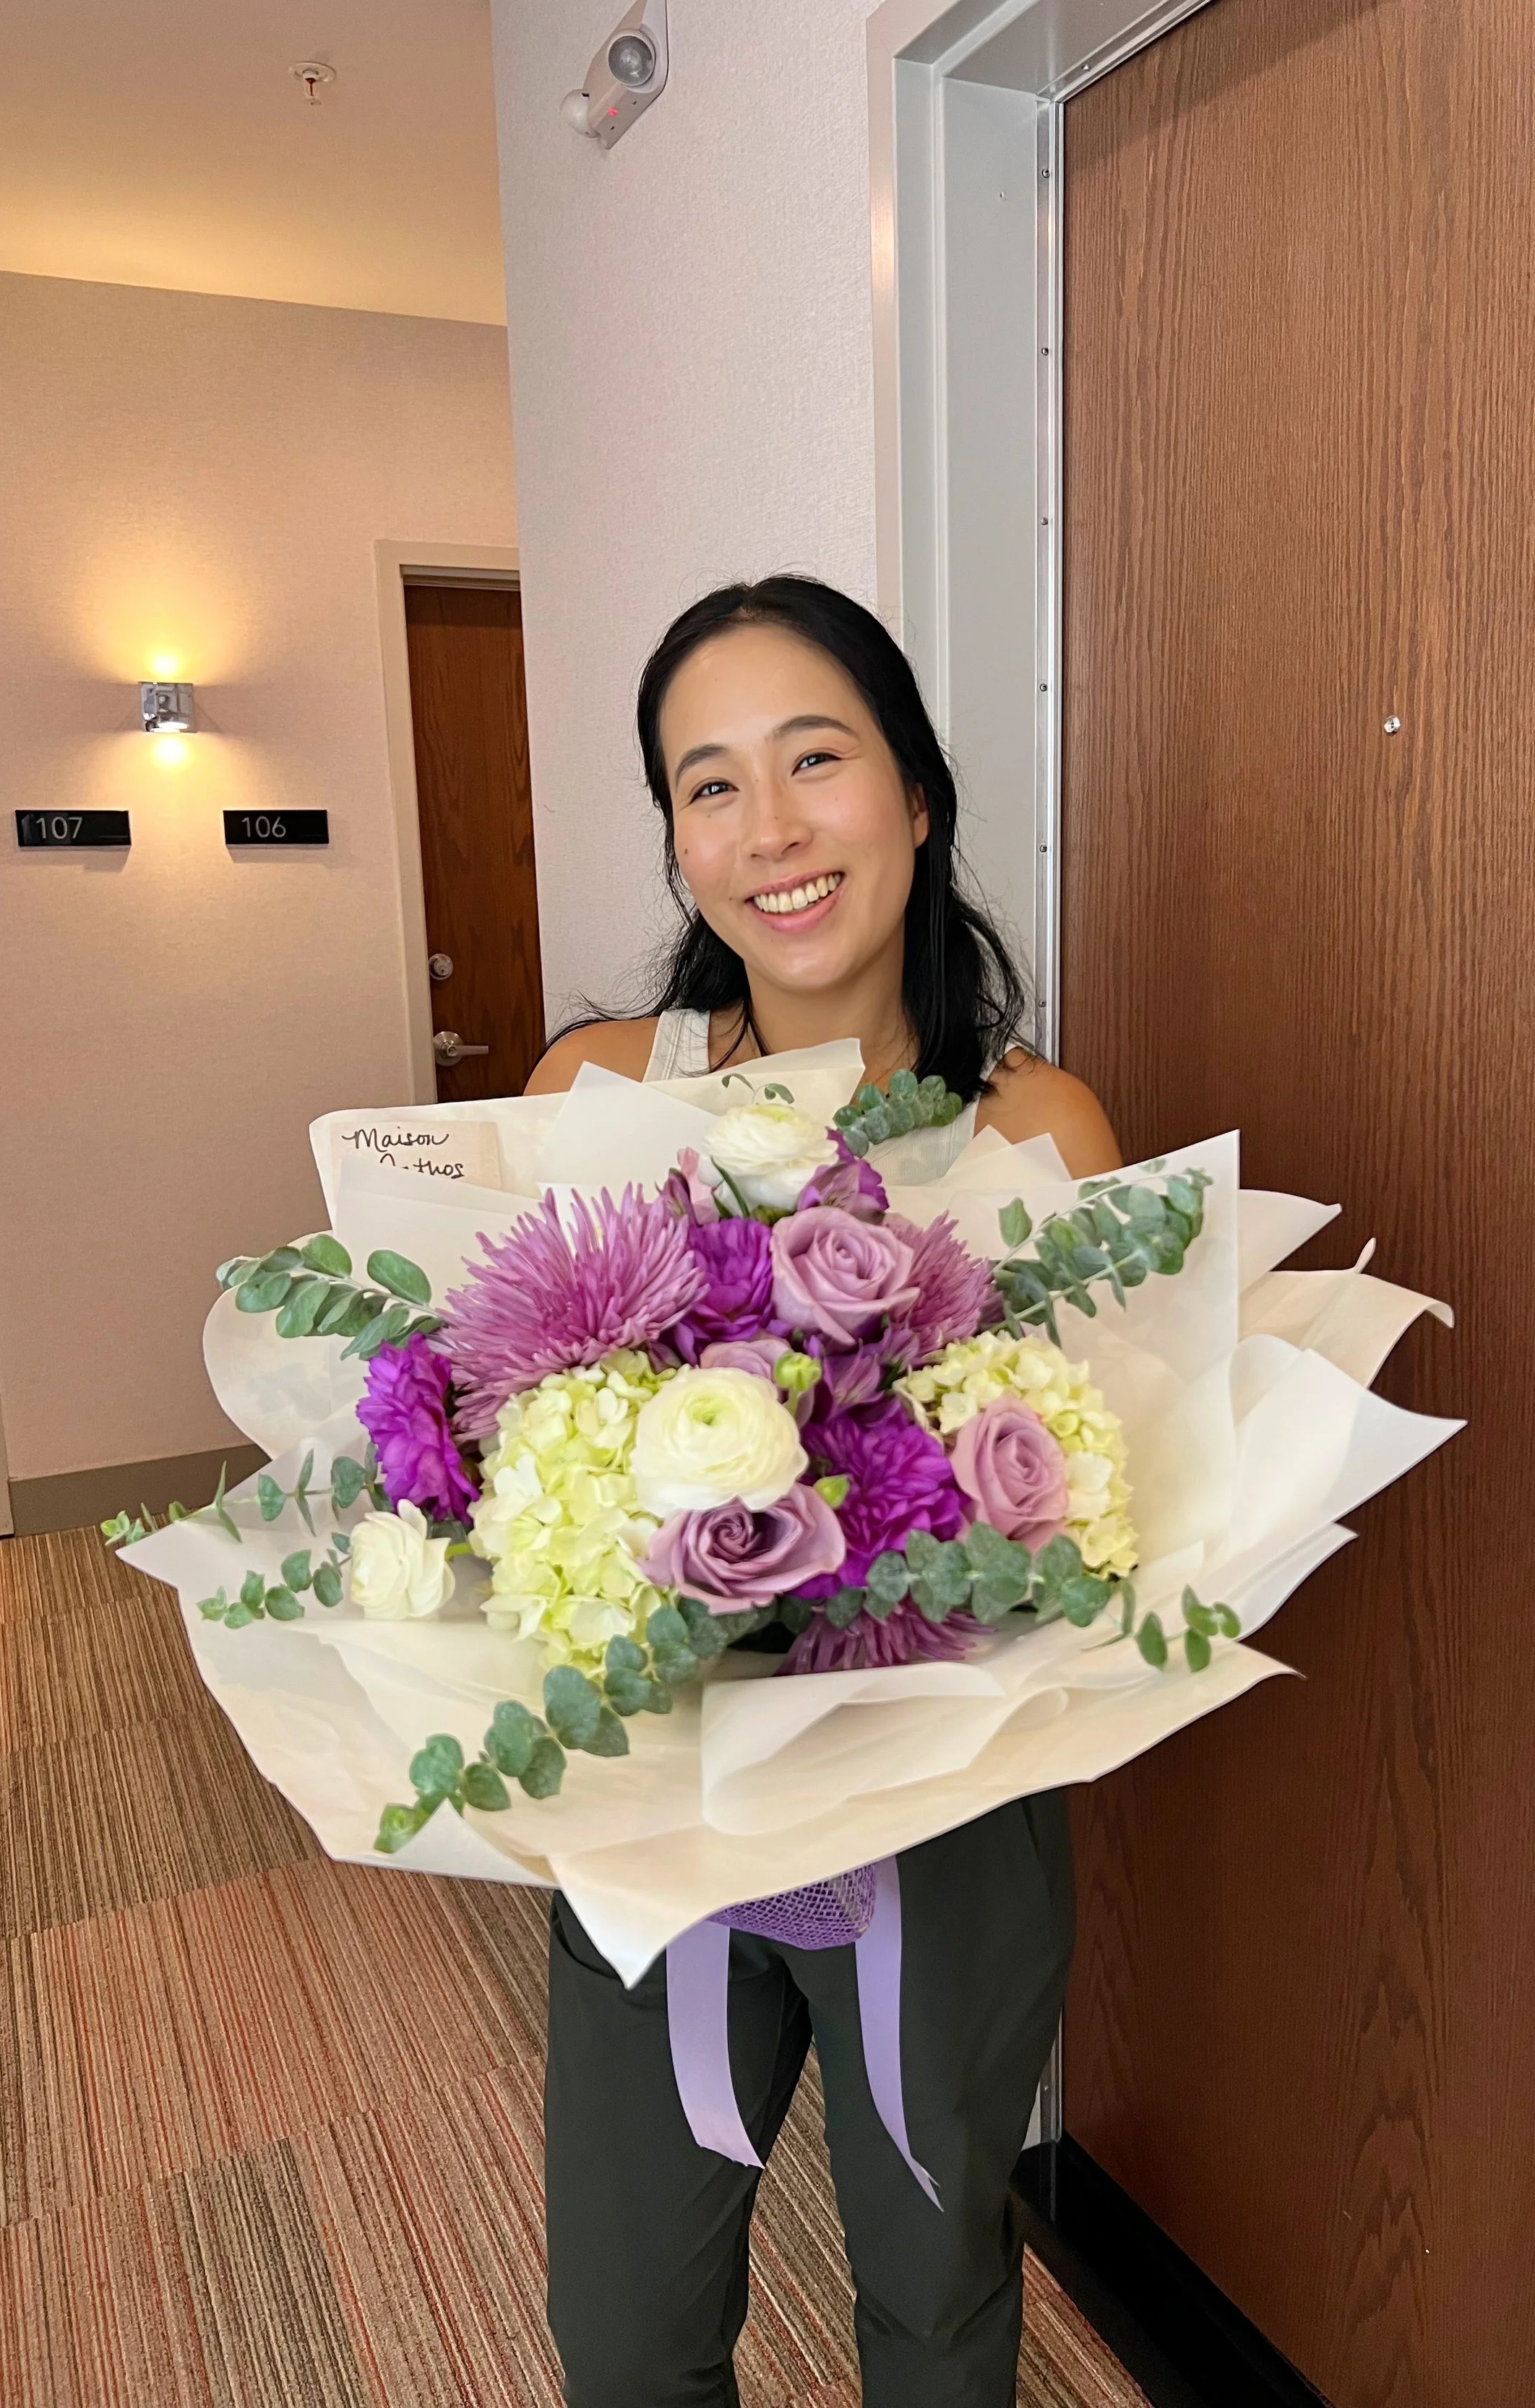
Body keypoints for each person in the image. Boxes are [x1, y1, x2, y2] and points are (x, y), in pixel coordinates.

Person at [527, 576, 1122, 2407]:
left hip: (937, 1821)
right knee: (626, 2329)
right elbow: (498, 1445)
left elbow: (1092, 1513)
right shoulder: (596, 1088)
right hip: (660, 1802)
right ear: (675, 837)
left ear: (916, 793)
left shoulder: (1042, 1133)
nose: (767, 831)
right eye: (707, 785)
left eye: (815, 759)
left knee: (937, 2305)